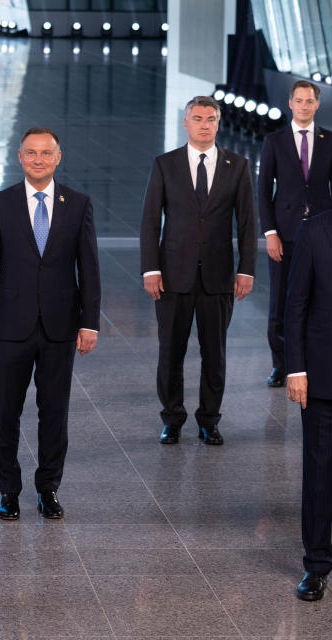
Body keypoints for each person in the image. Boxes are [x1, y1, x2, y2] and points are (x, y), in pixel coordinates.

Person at [0, 127, 101, 522]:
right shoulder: (0, 204)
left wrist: (90, 323)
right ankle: (8, 490)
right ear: (20, 157)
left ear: (58, 157)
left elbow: (89, 268)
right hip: (10, 325)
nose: (39, 159)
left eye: (46, 153)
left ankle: (49, 488)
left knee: (54, 411)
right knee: (5, 412)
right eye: (32, 153)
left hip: (61, 327)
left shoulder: (77, 204)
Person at [140, 96, 257, 446]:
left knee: (215, 354)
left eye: (210, 118)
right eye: (197, 118)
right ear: (186, 123)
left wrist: (246, 270)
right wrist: (150, 269)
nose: (204, 124)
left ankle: (209, 420)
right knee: (170, 352)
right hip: (173, 275)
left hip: (219, 277)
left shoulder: (237, 165)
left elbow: (248, 224)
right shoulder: (165, 164)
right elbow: (150, 221)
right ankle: (172, 419)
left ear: (218, 124)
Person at [258, 80, 332, 388]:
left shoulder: (330, 140)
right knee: (281, 300)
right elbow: (263, 192)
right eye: (298, 100)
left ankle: (315, 362)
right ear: (290, 104)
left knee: (320, 297)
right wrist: (270, 232)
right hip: (285, 233)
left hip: (321, 232)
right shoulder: (274, 141)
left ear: (317, 105)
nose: (304, 105)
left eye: (309, 101)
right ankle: (281, 364)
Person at [286, 209, 332, 601]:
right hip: (322, 376)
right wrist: (295, 368)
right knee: (319, 475)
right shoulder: (313, 231)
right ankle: (316, 564)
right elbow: (295, 303)